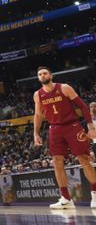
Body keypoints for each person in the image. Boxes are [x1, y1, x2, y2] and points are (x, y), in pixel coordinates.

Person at [33, 66, 96, 209]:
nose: (42, 76)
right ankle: (66, 199)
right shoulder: (38, 94)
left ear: (51, 75)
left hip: (72, 126)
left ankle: (95, 195)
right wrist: (35, 133)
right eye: (40, 74)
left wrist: (91, 127)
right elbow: (37, 115)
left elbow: (83, 106)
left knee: (83, 159)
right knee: (57, 162)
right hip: (54, 128)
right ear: (38, 78)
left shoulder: (64, 88)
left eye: (45, 73)